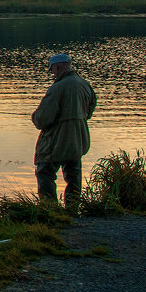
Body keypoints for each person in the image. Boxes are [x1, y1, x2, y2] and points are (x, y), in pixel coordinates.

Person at [31, 53, 96, 210]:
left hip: (56, 141)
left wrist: (34, 117)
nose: (52, 73)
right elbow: (89, 112)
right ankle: (72, 209)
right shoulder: (85, 85)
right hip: (78, 139)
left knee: (45, 173)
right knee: (73, 175)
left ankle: (50, 209)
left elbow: (43, 119)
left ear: (57, 67)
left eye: (52, 69)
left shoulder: (57, 88)